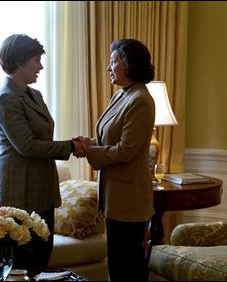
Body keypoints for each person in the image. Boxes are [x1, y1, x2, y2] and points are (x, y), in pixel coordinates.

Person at [0, 33, 83, 274]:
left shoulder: (35, 95)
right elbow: (27, 146)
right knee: (20, 267)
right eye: (36, 59)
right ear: (19, 61)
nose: (41, 66)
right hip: (19, 193)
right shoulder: (6, 98)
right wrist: (71, 146)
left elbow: (42, 140)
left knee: (41, 262)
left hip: (42, 190)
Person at [75, 39, 155, 281]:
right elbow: (106, 137)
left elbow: (125, 151)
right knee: (118, 265)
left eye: (113, 62)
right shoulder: (122, 95)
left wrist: (88, 151)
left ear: (129, 65)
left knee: (128, 267)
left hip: (129, 199)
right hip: (114, 197)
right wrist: (87, 143)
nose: (108, 68)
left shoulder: (140, 99)